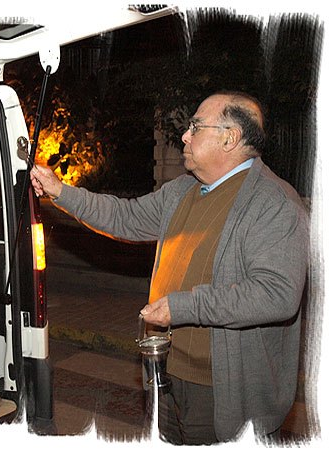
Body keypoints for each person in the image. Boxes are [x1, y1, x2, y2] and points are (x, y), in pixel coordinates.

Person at [30, 91, 309, 444]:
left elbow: (276, 295)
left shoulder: (274, 204)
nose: (185, 136)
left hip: (222, 391)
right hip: (167, 372)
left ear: (230, 138)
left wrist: (182, 306)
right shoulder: (184, 190)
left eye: (196, 126)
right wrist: (60, 191)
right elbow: (126, 217)